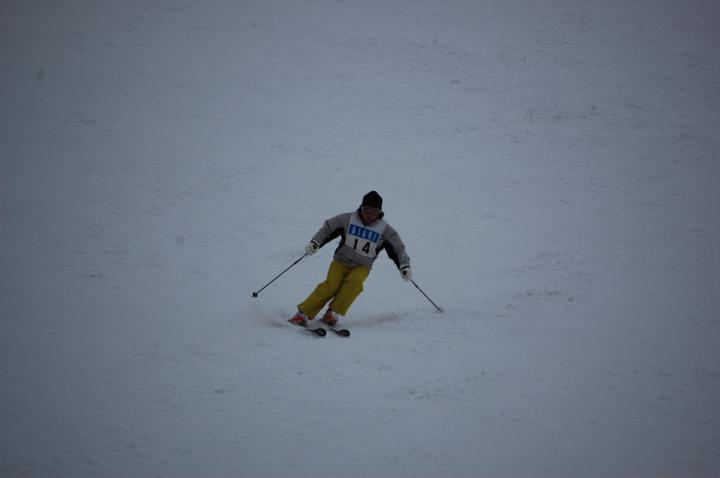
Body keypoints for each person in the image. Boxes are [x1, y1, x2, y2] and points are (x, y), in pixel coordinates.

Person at [289, 191, 412, 327]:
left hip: (362, 266)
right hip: (341, 261)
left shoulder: (385, 230)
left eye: (374, 212)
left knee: (355, 283)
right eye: (367, 210)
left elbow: (398, 248)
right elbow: (328, 228)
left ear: (380, 212)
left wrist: (404, 266)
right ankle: (303, 313)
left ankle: (333, 313)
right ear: (361, 208)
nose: (369, 214)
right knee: (331, 285)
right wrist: (315, 242)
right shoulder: (348, 219)